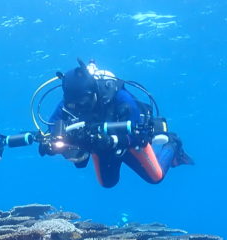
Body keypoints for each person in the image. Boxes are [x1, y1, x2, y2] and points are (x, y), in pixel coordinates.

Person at [40, 60, 193, 188]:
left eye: (83, 102)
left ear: (92, 92)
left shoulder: (120, 97)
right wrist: (50, 141)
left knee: (156, 177)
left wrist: (114, 140)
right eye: (73, 104)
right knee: (107, 183)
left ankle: (173, 144)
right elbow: (53, 124)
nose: (79, 107)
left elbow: (140, 133)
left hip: (129, 141)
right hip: (99, 144)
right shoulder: (70, 101)